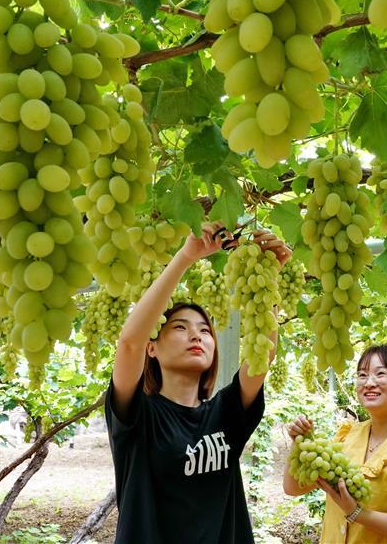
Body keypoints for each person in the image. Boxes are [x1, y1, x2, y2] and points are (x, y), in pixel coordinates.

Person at [106, 222, 291, 543]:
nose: (196, 334)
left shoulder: (225, 412)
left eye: (205, 330)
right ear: (152, 347)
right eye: (180, 327)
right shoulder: (138, 417)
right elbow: (129, 344)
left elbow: (262, 358)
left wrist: (268, 276)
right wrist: (185, 257)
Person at [283, 345, 387, 544]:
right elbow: (293, 488)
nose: (369, 383)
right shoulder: (347, 436)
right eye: (362, 375)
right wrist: (299, 443)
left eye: (380, 373)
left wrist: (357, 513)